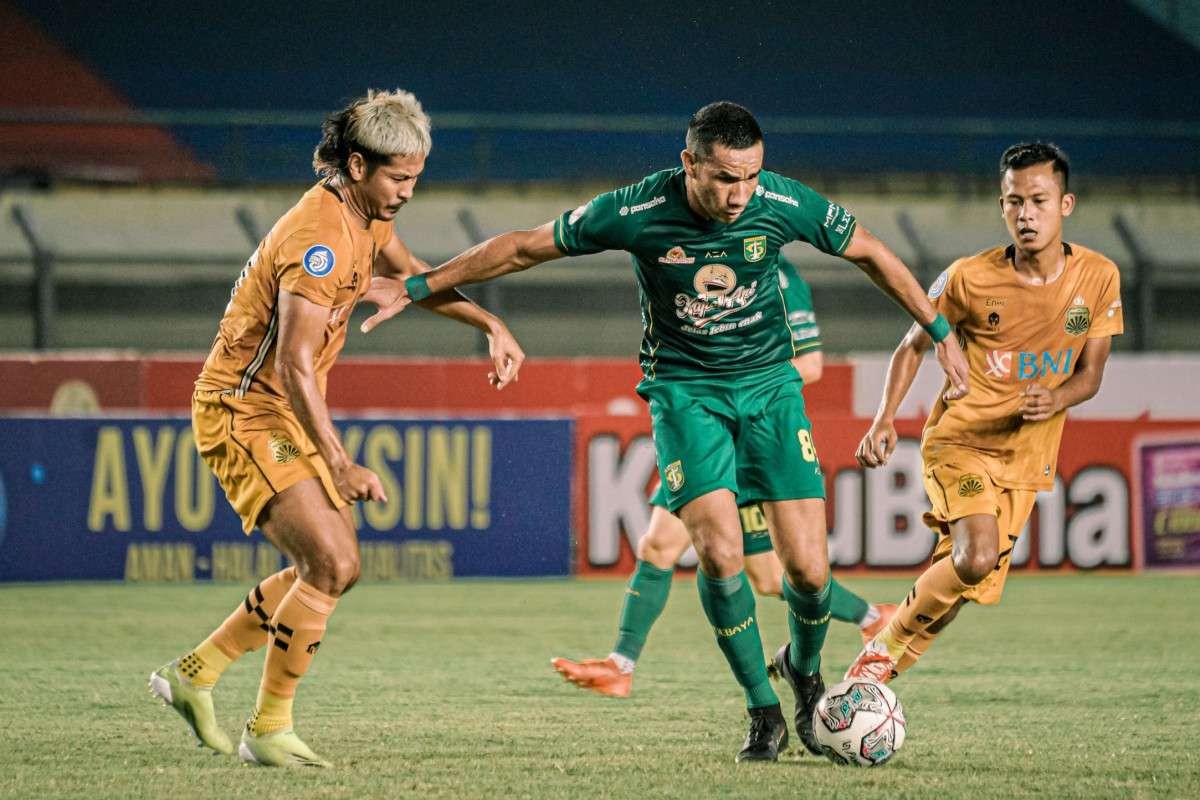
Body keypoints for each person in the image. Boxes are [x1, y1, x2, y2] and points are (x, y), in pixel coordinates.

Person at [361, 101, 968, 763]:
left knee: (810, 571)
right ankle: (763, 712)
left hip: (771, 390)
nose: (739, 195)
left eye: (749, 178)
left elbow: (872, 252)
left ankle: (805, 669)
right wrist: (420, 284)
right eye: (724, 179)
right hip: (686, 397)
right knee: (720, 555)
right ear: (689, 164)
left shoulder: (780, 201)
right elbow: (522, 247)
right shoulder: (639, 211)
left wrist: (940, 334)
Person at [148, 89, 525, 768]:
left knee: (328, 568)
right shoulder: (319, 237)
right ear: (356, 165)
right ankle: (267, 729)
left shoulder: (367, 216)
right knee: (333, 561)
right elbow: (293, 362)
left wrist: (491, 324)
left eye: (416, 178)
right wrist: (342, 461)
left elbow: (414, 277)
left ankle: (195, 674)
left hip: (279, 409)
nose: (408, 192)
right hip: (243, 409)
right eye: (398, 177)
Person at [550, 262, 895, 699]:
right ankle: (621, 664)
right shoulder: (700, 267)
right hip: (704, 430)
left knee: (772, 576)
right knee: (658, 546)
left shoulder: (781, 278)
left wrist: (739, 377)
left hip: (750, 438)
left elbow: (810, 364)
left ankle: (869, 618)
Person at [845, 142, 1122, 684]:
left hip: (1025, 461)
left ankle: (870, 676)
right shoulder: (968, 278)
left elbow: (1090, 375)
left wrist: (1057, 398)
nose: (1026, 214)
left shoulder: (1098, 277)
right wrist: (885, 419)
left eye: (1039, 201)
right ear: (1002, 206)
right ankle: (879, 653)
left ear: (1065, 205)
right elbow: (912, 345)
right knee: (974, 559)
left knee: (958, 590)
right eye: (1014, 201)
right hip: (961, 444)